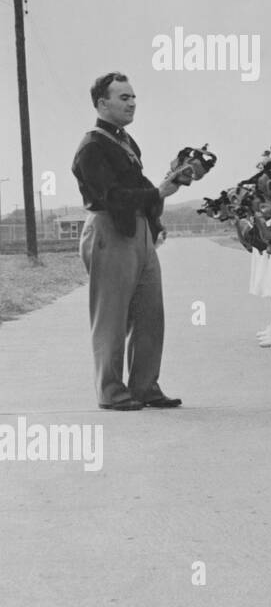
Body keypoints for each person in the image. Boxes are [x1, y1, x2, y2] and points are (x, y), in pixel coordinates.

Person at [72, 72, 184, 410]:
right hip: (110, 230)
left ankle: (144, 386)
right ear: (102, 103)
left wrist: (157, 211)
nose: (132, 103)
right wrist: (157, 192)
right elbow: (114, 196)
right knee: (112, 315)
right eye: (124, 98)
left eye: (133, 97)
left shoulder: (125, 142)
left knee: (150, 312)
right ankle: (111, 391)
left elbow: (139, 187)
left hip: (138, 231)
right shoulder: (92, 146)